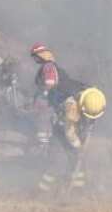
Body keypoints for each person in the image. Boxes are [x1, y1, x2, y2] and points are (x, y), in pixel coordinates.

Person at [30, 44, 106, 193]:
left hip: (72, 124)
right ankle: (43, 191)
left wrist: (88, 126)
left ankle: (78, 188)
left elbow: (92, 115)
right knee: (58, 158)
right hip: (63, 124)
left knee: (76, 160)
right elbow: (69, 131)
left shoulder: (92, 97)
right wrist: (78, 147)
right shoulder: (72, 107)